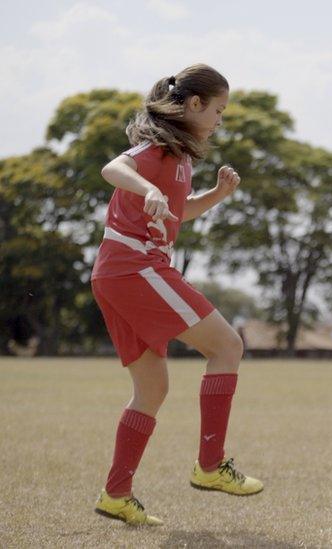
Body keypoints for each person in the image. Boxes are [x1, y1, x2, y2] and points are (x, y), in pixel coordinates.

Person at [91, 64, 262, 526]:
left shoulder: (182, 158)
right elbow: (114, 167)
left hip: (117, 272)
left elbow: (175, 214)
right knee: (227, 346)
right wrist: (145, 187)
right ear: (194, 105)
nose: (221, 119)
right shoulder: (159, 149)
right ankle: (210, 467)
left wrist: (218, 195)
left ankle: (116, 496)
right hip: (135, 267)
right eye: (219, 110)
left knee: (153, 388)